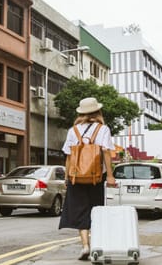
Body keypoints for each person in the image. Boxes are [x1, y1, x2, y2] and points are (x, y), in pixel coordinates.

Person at [59, 97, 115, 261]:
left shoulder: (73, 130)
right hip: (95, 177)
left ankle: (85, 245)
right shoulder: (103, 129)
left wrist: (67, 176)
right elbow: (106, 153)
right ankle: (96, 245)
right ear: (97, 111)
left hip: (76, 176)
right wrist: (110, 176)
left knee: (79, 210)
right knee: (95, 210)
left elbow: (68, 156)